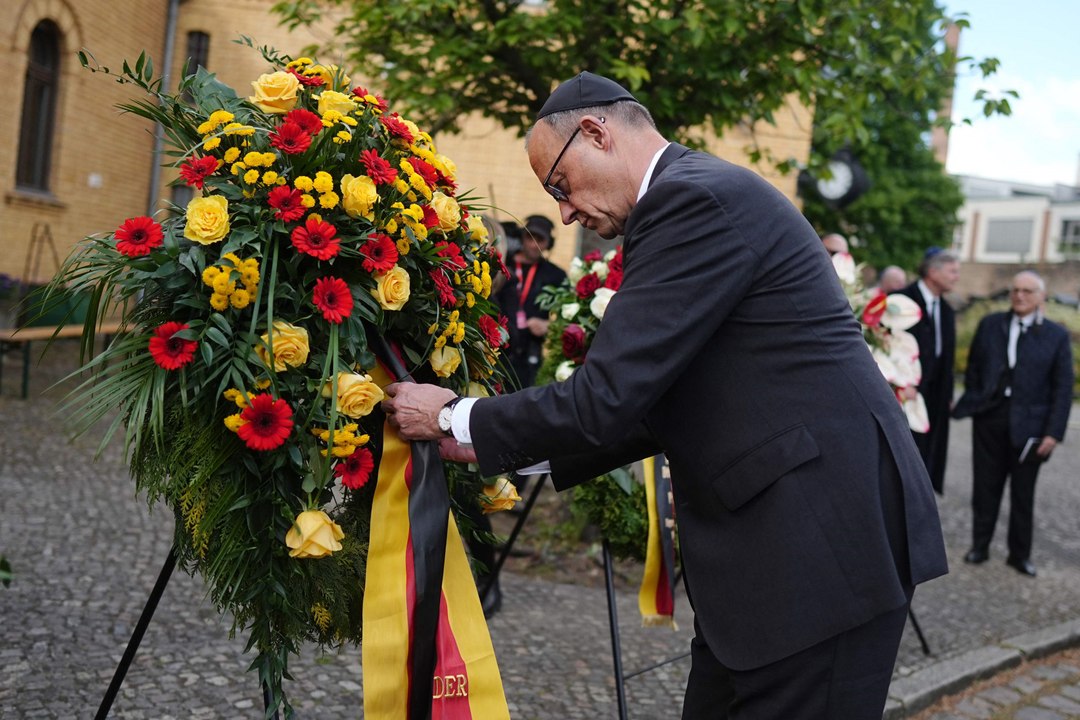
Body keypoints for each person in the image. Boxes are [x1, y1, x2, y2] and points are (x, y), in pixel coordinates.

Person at [383, 71, 947, 719]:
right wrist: (488, 444)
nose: (564, 211)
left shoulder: (690, 202)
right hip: (780, 555)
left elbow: (609, 396)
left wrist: (454, 414)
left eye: (559, 186)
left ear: (596, 132)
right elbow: (654, 401)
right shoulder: (698, 193)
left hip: (817, 557)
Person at [951, 271, 1074, 577]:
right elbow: (975, 368)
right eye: (1016, 290)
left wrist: (1053, 433)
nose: (1019, 296)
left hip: (1031, 427)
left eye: (1027, 291)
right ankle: (980, 546)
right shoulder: (990, 325)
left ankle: (1020, 555)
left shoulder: (1056, 336)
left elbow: (1063, 388)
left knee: (1023, 493)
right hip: (991, 419)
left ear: (1041, 297)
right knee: (985, 488)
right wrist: (978, 400)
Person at [896, 248, 960, 495]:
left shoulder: (947, 310)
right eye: (952, 271)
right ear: (933, 271)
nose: (956, 277)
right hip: (907, 394)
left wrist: (949, 395)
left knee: (929, 455)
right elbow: (884, 344)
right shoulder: (901, 300)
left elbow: (948, 358)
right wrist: (899, 384)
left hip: (936, 395)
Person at [493, 214, 567, 388]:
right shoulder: (502, 264)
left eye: (540, 240)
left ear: (549, 244)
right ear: (522, 237)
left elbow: (568, 318)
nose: (534, 244)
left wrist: (547, 325)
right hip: (497, 350)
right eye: (530, 237)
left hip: (529, 357)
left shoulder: (556, 275)